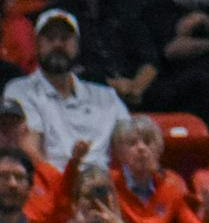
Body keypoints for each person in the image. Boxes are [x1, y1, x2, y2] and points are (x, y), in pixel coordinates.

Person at [4, 9, 127, 166]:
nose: (58, 44)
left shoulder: (106, 96)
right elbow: (29, 151)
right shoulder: (19, 90)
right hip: (52, 184)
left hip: (103, 183)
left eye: (65, 38)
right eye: (50, 38)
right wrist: (63, 184)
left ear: (77, 45)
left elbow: (131, 141)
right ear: (36, 45)